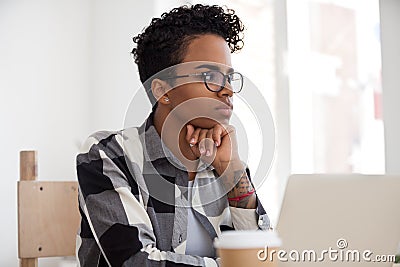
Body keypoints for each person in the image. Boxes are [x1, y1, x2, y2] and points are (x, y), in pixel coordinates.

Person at [76, 4, 271, 267]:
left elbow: (263, 257)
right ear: (162, 90)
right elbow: (135, 262)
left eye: (229, 77)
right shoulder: (111, 155)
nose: (227, 91)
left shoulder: (225, 163)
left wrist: (232, 172)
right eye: (210, 76)